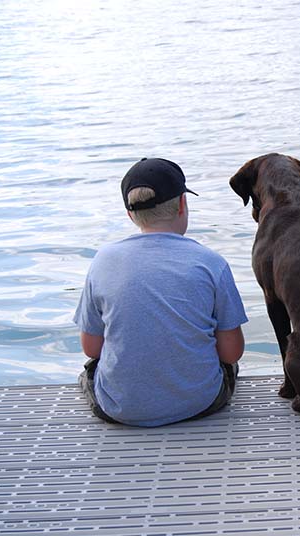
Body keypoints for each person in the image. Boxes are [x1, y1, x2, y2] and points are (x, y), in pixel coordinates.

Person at [73, 157, 248, 426]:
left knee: (91, 371)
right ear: (182, 204)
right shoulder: (211, 262)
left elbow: (91, 347)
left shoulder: (102, 260)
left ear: (130, 214)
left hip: (120, 408)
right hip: (200, 402)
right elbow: (231, 353)